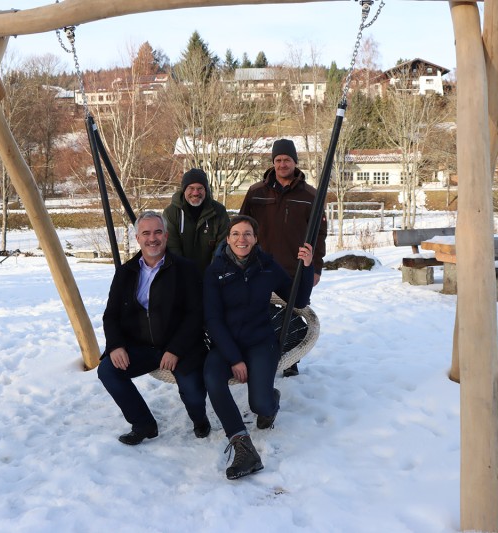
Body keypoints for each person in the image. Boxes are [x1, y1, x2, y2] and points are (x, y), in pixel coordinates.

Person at [203, 215, 314, 480]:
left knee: (261, 406)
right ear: (228, 238)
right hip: (226, 344)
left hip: (260, 342)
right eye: (236, 234)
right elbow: (213, 320)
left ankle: (270, 400)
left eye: (247, 234)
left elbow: (298, 299)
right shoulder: (215, 271)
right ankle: (243, 446)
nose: (241, 239)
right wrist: (234, 358)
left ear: (255, 238)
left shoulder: (267, 266)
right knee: (212, 377)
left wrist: (307, 267)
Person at [98, 211, 211, 445]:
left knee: (192, 391)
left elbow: (196, 314)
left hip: (181, 346)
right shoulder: (126, 273)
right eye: (146, 233)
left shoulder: (185, 269)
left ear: (166, 236)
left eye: (158, 232)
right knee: (108, 370)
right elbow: (111, 315)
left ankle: (199, 418)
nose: (152, 238)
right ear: (138, 238)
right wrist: (116, 345)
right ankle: (143, 424)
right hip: (142, 346)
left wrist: (175, 349)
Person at [239, 138, 327, 377]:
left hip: (293, 268)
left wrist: (315, 267)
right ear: (273, 162)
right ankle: (261, 355)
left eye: (287, 159)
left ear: (295, 162)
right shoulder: (256, 192)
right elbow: (241, 227)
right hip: (259, 266)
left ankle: (290, 359)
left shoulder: (310, 195)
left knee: (294, 313)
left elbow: (319, 234)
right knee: (261, 312)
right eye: (278, 160)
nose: (282, 164)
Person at [162, 168, 230, 274]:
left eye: (200, 188)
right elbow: (172, 248)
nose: (195, 192)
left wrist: (212, 274)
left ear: (205, 190)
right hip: (181, 274)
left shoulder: (219, 211)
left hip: (212, 273)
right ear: (184, 189)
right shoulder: (171, 213)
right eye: (191, 188)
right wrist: (185, 275)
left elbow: (222, 246)